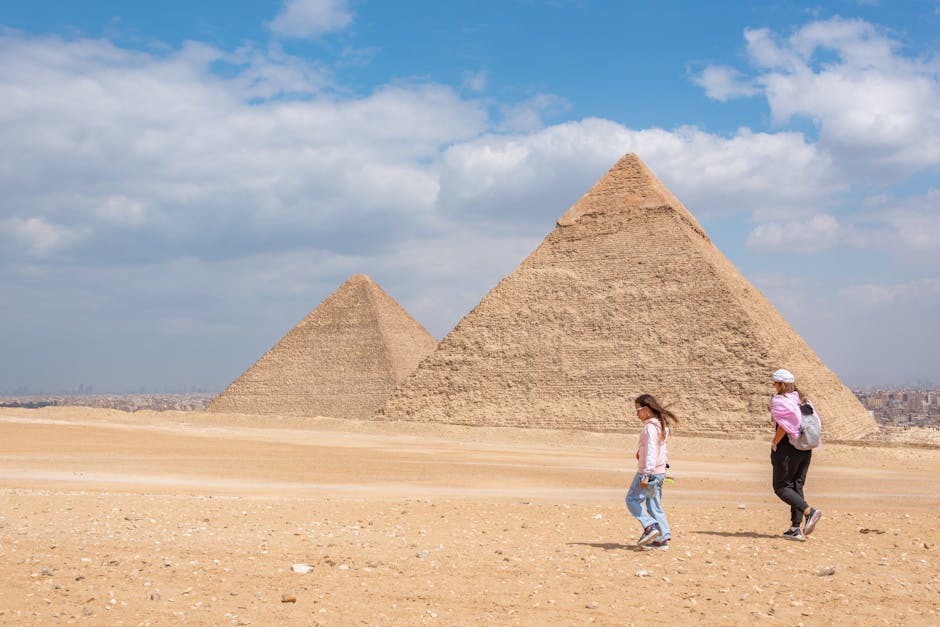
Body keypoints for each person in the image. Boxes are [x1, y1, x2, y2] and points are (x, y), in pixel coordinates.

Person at [770, 368, 822, 541]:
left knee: (781, 487)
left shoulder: (780, 400)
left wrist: (775, 443)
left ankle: (809, 511)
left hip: (788, 450)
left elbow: (784, 427)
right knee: (797, 486)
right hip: (806, 449)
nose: (774, 386)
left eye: (775, 383)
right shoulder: (803, 401)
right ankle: (795, 528)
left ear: (780, 384)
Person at [626, 393, 678, 550]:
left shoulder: (649, 427)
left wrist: (646, 473)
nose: (637, 414)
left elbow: (651, 450)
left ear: (647, 410)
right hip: (659, 471)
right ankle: (662, 539)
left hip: (649, 472)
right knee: (654, 505)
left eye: (638, 410)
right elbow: (663, 450)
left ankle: (650, 526)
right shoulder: (662, 425)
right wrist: (664, 468)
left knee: (632, 499)